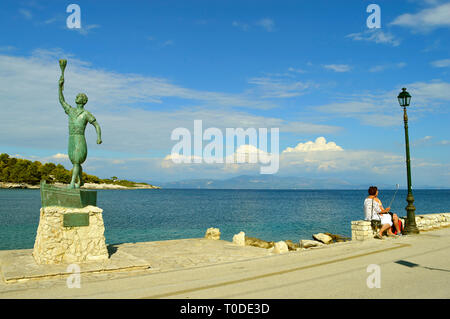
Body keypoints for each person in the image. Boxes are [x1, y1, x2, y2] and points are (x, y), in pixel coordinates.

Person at [59, 76, 102, 189]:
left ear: (83, 101)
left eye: (79, 97)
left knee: (77, 161)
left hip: (80, 138)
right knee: (74, 161)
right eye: (76, 96)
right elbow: (61, 101)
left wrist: (98, 137)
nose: (76, 97)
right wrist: (59, 87)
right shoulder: (71, 110)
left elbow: (96, 124)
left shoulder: (86, 113)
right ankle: (81, 181)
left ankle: (72, 183)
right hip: (71, 138)